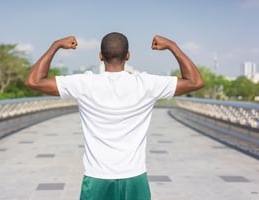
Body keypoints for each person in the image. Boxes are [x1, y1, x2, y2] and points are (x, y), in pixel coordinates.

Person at [25, 32, 204, 200]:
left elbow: (34, 81)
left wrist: (55, 45)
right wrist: (172, 46)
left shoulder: (84, 83)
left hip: (97, 179)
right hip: (134, 178)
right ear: (128, 56)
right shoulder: (146, 84)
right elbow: (195, 81)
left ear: (100, 56)